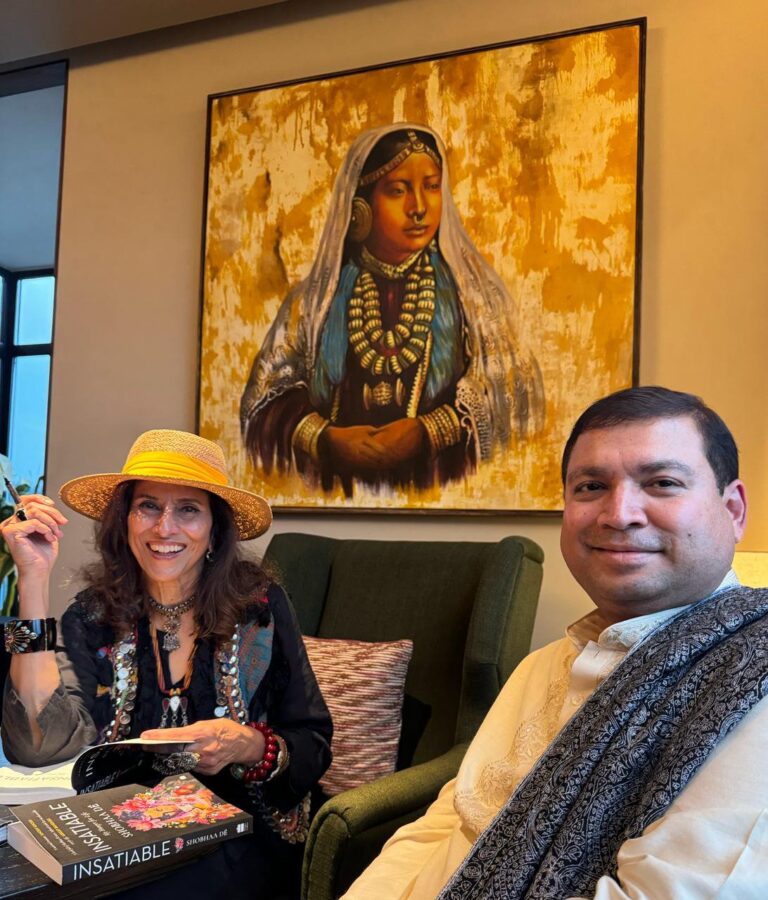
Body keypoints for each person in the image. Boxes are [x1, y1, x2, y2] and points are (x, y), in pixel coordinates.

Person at [345, 386, 768, 899]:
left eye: (661, 482)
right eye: (591, 486)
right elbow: (444, 824)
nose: (619, 513)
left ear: (734, 510)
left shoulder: (752, 676)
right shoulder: (541, 666)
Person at [1, 429, 332, 899]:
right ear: (126, 520)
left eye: (188, 510)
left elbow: (313, 742)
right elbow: (36, 746)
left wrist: (245, 745)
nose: (164, 528)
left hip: (238, 829)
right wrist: (32, 579)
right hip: (115, 832)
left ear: (215, 527)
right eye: (149, 506)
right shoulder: (91, 615)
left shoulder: (260, 608)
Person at [240, 123, 544, 497]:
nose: (418, 208)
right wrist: (324, 437)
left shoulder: (474, 298)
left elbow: (512, 400)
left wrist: (430, 430)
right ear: (360, 207)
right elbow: (262, 404)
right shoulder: (314, 303)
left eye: (431, 187)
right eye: (398, 191)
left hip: (439, 488)